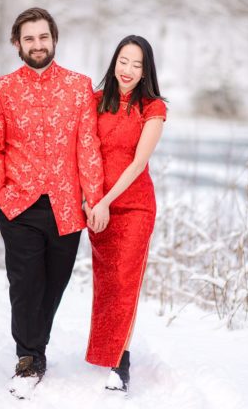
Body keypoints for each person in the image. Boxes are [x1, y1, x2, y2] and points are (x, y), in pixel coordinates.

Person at [0, 7, 105, 399]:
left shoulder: (79, 87)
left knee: (55, 283)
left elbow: (88, 147)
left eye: (43, 37)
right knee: (25, 283)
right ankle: (28, 357)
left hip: (68, 206)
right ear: (17, 44)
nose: (37, 45)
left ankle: (37, 343)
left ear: (54, 40)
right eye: (29, 38)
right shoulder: (0, 89)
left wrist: (95, 200)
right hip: (20, 204)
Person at [85, 35, 166, 394]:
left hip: (133, 206)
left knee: (125, 281)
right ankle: (107, 351)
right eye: (123, 61)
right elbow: (85, 153)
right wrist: (91, 201)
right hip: (97, 208)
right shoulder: (95, 101)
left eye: (137, 64)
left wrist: (105, 201)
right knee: (106, 283)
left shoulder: (153, 108)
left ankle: (122, 362)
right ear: (113, 61)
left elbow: (137, 164)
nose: (128, 70)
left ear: (146, 69)